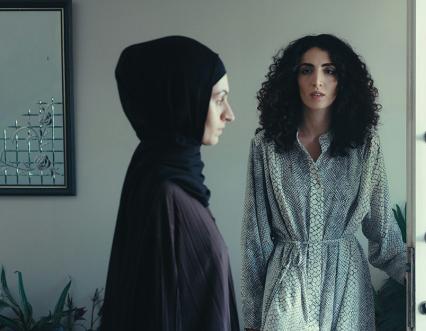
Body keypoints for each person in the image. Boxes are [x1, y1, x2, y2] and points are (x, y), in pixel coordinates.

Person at [240, 34, 407, 331]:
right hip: (288, 285)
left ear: (344, 80)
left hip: (346, 289)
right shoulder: (267, 146)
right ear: (293, 79)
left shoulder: (364, 145)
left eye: (329, 70)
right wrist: (252, 321)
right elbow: (255, 240)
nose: (317, 80)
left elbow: (383, 235)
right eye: (307, 70)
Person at [101, 36, 239, 331]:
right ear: (182, 99)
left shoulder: (163, 176)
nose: (229, 114)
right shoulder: (168, 196)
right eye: (218, 99)